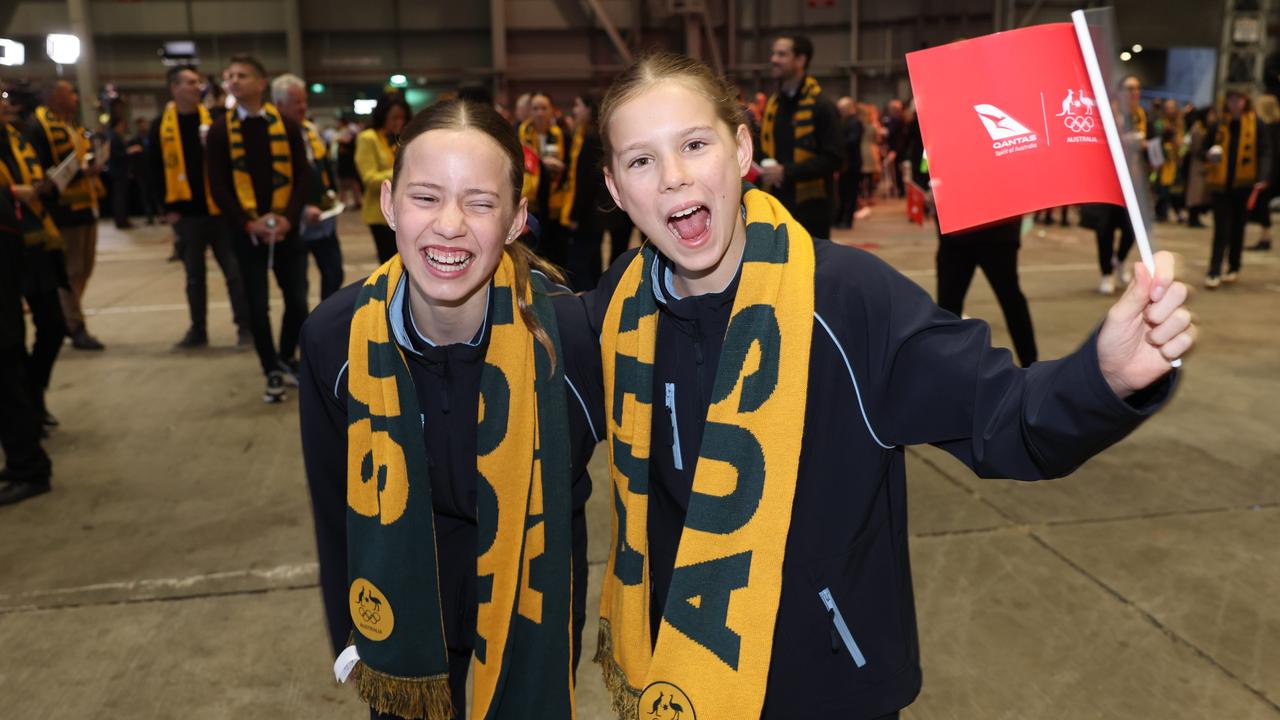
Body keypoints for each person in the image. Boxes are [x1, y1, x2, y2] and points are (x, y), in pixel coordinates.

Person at [587, 52, 1194, 720]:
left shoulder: (848, 299)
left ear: (740, 149)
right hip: (682, 685)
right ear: (616, 189)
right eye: (641, 161)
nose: (674, 178)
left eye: (695, 144)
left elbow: (1007, 419)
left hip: (830, 689)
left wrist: (1103, 377)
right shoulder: (619, 309)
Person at [299, 98, 601, 719]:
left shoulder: (571, 339)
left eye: (481, 202)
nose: (450, 224)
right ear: (387, 204)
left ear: (517, 219)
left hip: (530, 608)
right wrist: (351, 632)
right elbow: (335, 508)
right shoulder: (335, 339)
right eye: (426, 196)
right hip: (403, 600)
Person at [205, 55, 311, 402]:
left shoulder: (287, 125)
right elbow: (218, 185)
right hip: (247, 232)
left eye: (242, 75)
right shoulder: (221, 129)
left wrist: (288, 219)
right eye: (229, 76)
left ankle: (285, 356)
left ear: (261, 83)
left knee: (296, 299)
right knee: (257, 305)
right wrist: (246, 222)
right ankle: (271, 369)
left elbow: (301, 176)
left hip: (286, 230)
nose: (233, 81)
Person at [149, 65, 251, 350]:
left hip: (219, 213)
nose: (197, 87)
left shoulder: (217, 120)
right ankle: (198, 330)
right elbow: (153, 169)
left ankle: (245, 327)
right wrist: (165, 207)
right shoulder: (161, 125)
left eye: (198, 83)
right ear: (175, 88)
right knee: (194, 277)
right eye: (191, 83)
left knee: (234, 273)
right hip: (186, 215)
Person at [0, 82, 55, 505]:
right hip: (17, 251)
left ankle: (28, 464)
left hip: (18, 252)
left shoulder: (20, 135)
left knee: (8, 361)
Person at [26, 80, 107, 351]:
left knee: (84, 269)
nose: (75, 97)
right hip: (62, 212)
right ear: (54, 96)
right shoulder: (38, 127)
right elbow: (41, 171)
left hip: (85, 206)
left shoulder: (71, 125)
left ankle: (70, 318)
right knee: (71, 271)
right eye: (70, 92)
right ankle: (74, 324)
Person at [757, 35, 842, 239]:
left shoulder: (821, 106)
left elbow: (834, 158)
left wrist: (786, 172)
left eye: (782, 54)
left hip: (811, 211)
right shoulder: (773, 106)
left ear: (800, 60)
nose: (773, 59)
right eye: (773, 53)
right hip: (775, 206)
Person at [272, 74, 344, 300]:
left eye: (304, 101)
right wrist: (301, 209)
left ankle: (325, 324)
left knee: (334, 273)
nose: (303, 107)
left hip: (323, 217)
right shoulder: (271, 135)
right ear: (279, 104)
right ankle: (301, 331)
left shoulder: (310, 129)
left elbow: (321, 166)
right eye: (296, 102)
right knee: (296, 287)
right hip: (293, 220)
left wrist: (331, 193)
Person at [1203, 89, 1271, 288]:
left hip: (1244, 185)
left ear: (1245, 101)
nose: (1234, 103)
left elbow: (1265, 151)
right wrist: (1208, 155)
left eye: (1238, 99)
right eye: (1231, 99)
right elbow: (1201, 150)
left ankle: (1233, 266)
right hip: (1220, 186)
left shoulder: (1255, 124)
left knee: (1238, 228)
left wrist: (1263, 176)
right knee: (1221, 229)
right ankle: (1214, 270)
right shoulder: (1218, 125)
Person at [1089, 75, 1150, 295]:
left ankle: (1120, 260)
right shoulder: (1107, 114)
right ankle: (1106, 273)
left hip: (1133, 184)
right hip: (1108, 182)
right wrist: (1122, 140)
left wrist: (1147, 146)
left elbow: (1153, 143)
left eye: (1137, 88)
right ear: (1119, 91)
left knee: (1132, 229)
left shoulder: (1142, 115)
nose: (1134, 93)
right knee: (1105, 230)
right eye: (1130, 88)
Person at [355, 93, 410, 263]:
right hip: (380, 215)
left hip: (405, 211)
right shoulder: (368, 138)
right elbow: (369, 179)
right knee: (390, 264)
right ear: (383, 116)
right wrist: (403, 171)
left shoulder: (404, 138)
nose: (399, 122)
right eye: (394, 117)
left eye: (403, 118)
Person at [561, 92, 608, 291]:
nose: (574, 110)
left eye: (578, 105)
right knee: (593, 263)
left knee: (578, 266)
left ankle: (587, 306)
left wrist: (575, 214)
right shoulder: (584, 135)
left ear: (588, 109)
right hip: (592, 212)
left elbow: (585, 181)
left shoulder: (590, 137)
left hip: (588, 213)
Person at [519, 92, 570, 266]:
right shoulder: (520, 133)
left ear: (551, 111)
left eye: (543, 108)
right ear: (529, 112)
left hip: (555, 202)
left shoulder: (561, 134)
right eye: (535, 108)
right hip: (531, 202)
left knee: (555, 252)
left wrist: (561, 167)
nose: (539, 113)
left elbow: (570, 166)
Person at [1247, 94, 1280, 251]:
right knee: (1262, 205)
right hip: (1273, 173)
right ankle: (1265, 237)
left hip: (1269, 174)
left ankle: (1266, 238)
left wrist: (1265, 176)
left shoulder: (1267, 127)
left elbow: (1270, 154)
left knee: (1261, 205)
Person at [834, 96, 863, 230]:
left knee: (850, 193)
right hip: (846, 163)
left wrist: (838, 144)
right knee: (843, 192)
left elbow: (853, 140)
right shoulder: (844, 122)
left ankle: (847, 220)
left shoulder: (855, 122)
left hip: (852, 163)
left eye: (842, 109)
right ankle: (840, 218)